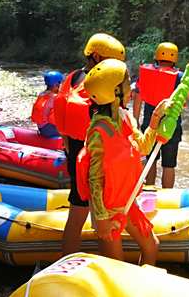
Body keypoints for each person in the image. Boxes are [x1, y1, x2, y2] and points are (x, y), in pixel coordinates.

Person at [78, 58, 170, 265]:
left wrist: (155, 119)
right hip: (107, 208)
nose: (132, 89)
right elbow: (94, 179)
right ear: (114, 92)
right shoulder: (97, 131)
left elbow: (144, 147)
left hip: (127, 201)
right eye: (128, 84)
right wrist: (101, 219)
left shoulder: (125, 117)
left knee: (151, 246)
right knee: (116, 265)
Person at [53, 33, 126, 255]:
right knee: (103, 220)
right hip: (94, 161)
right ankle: (111, 274)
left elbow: (64, 127)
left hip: (76, 154)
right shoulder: (99, 85)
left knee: (77, 213)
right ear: (95, 56)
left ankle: (65, 263)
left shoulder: (72, 77)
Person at [133, 42, 189, 188]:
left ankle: (149, 189)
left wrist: (135, 120)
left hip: (150, 124)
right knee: (169, 165)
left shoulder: (146, 74)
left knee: (151, 160)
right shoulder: (179, 77)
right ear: (175, 58)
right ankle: (167, 195)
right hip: (171, 125)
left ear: (157, 56)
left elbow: (138, 96)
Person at [31, 70, 64, 138]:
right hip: (48, 129)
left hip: (41, 127)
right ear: (56, 84)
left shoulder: (42, 94)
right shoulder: (55, 97)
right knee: (70, 130)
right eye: (61, 83)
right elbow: (53, 119)